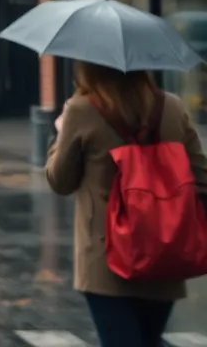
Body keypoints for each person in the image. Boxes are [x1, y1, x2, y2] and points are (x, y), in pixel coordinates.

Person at [46, 62, 207, 347]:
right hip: (165, 251)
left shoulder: (81, 110)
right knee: (148, 339)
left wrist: (60, 135)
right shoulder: (172, 106)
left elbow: (61, 181)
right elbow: (201, 181)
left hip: (105, 258)